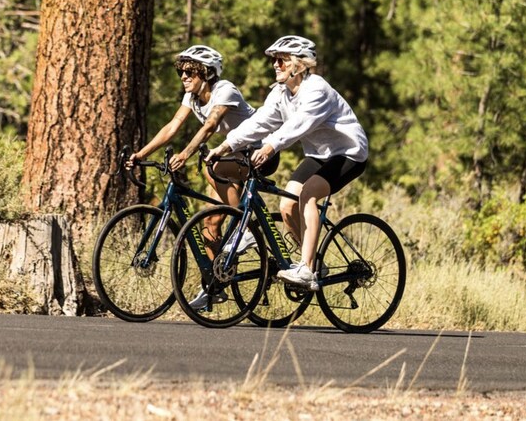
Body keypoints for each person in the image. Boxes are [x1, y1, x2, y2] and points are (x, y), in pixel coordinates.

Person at [206, 35, 368, 291]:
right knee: (287, 205)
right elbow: (259, 122)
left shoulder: (317, 90)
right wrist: (227, 145)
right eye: (275, 61)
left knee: (308, 194)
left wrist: (271, 146)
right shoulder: (281, 92)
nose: (275, 65)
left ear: (299, 65)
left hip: (349, 152)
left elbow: (298, 125)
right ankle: (313, 262)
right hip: (319, 155)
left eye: (282, 60)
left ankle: (305, 268)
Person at [126, 45, 264, 308]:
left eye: (190, 71)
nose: (183, 76)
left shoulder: (225, 90)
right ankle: (215, 284)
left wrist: (186, 154)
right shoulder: (191, 97)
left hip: (259, 152)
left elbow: (211, 125)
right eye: (181, 71)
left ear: (207, 72)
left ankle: (243, 229)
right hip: (231, 156)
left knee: (210, 165)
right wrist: (140, 154)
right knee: (209, 226)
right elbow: (172, 126)